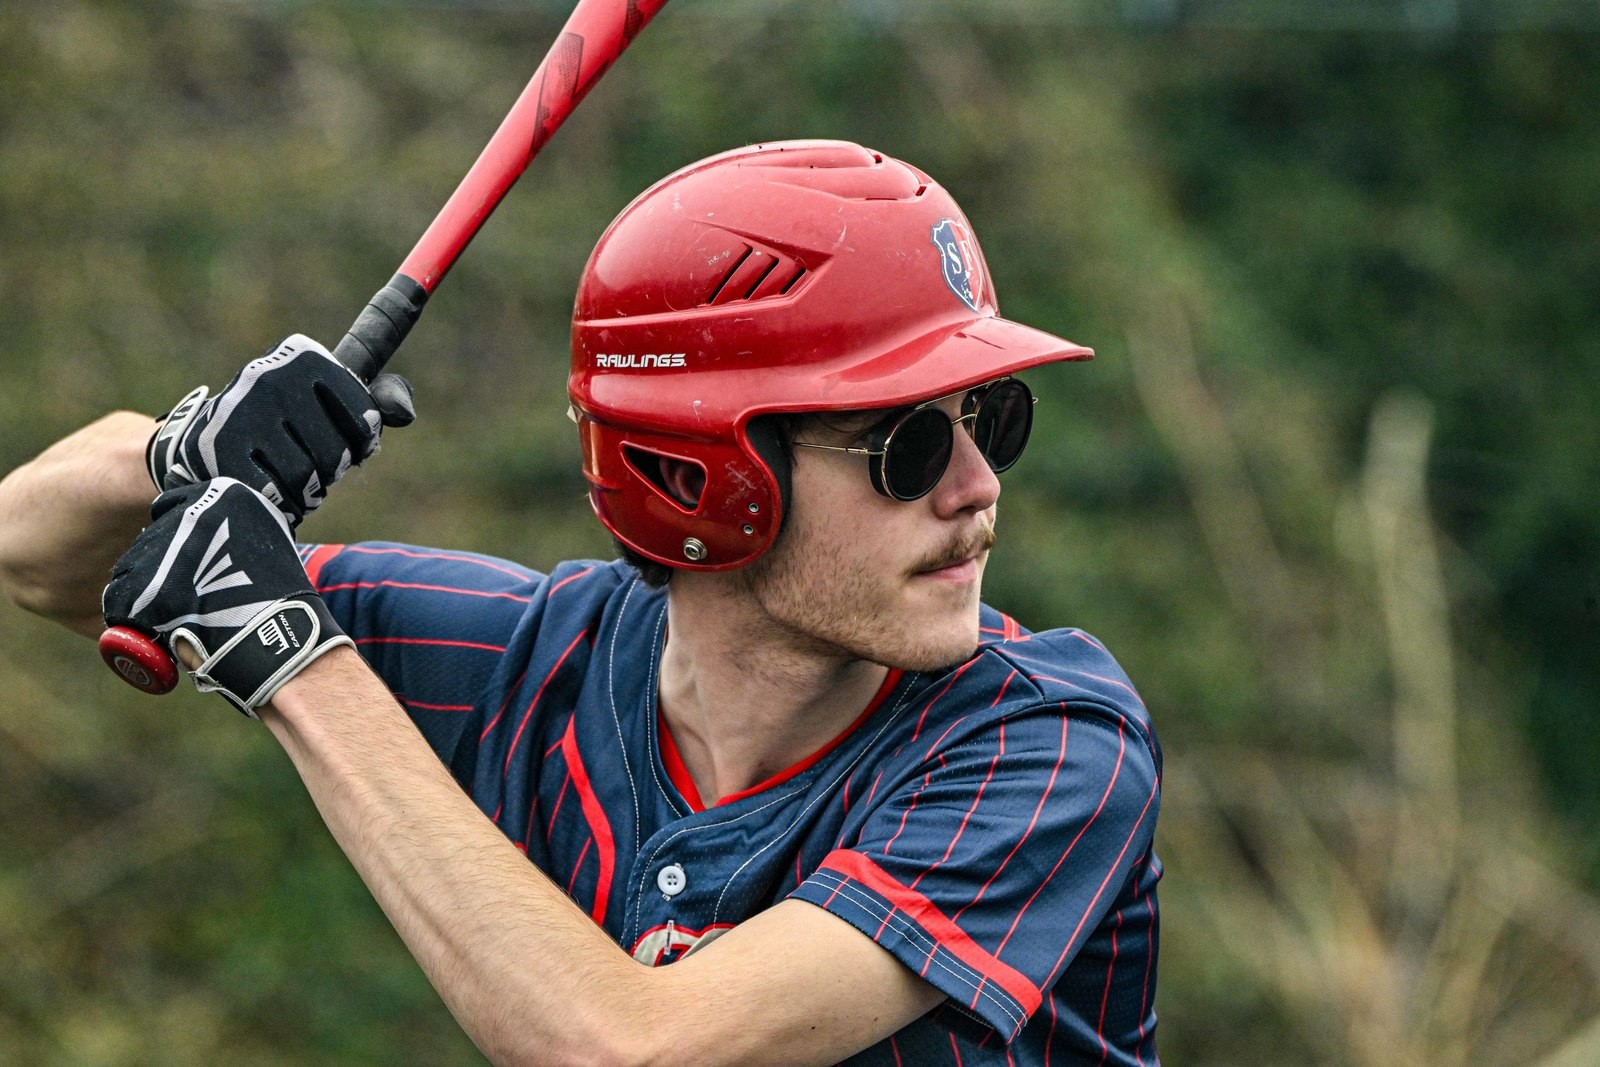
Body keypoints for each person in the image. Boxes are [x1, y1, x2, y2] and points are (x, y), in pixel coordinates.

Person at [0, 140, 1161, 1066]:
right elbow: (33, 555)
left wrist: (293, 662)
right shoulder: (526, 660)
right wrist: (177, 450)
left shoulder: (1047, 741)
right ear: (697, 471)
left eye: (991, 419)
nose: (977, 486)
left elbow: (628, 1044)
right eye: (907, 446)